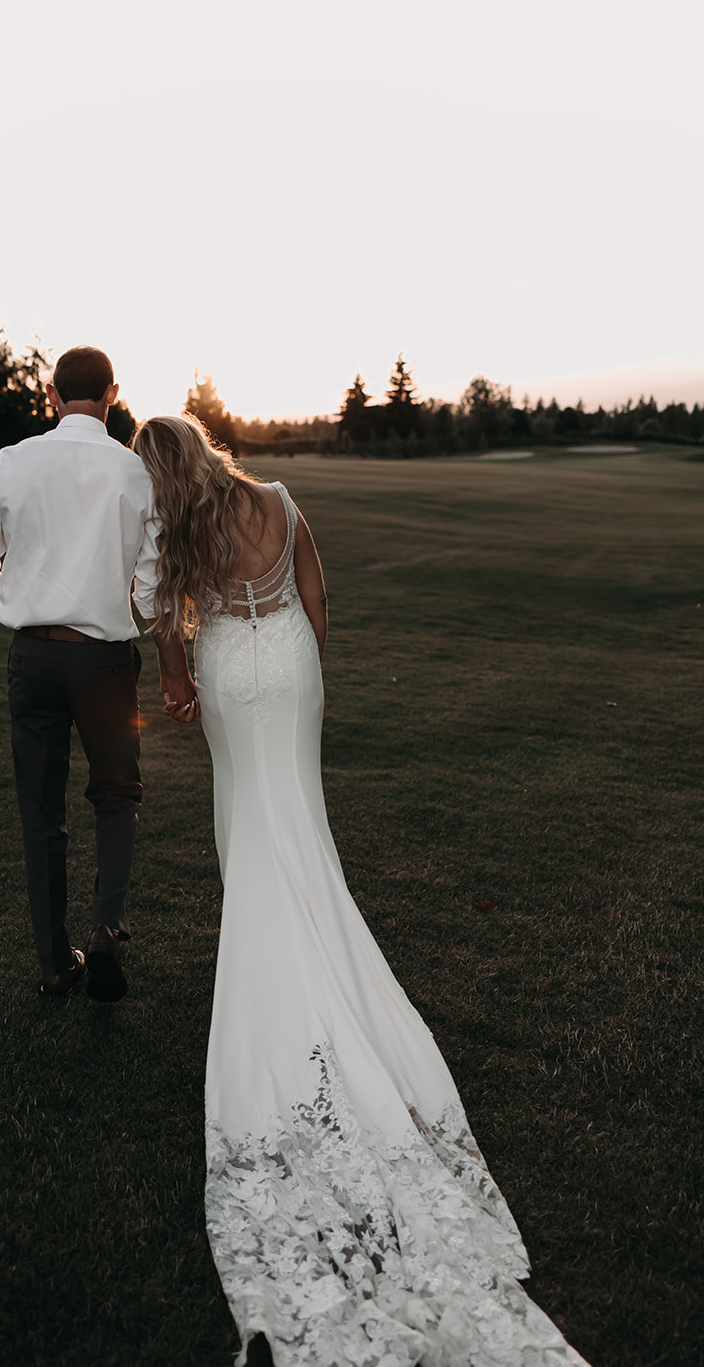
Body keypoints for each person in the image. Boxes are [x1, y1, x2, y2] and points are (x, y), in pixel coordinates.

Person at [131, 412, 592, 1367]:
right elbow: (315, 597)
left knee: (246, 820)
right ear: (209, 451)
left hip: (226, 665)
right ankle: (313, 933)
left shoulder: (171, 529)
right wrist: (303, 666)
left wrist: (177, 674)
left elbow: (154, 616)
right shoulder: (280, 500)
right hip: (289, 663)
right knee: (297, 809)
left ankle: (273, 948)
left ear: (158, 472)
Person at [0, 347, 197, 1002]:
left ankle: (56, 963)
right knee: (117, 797)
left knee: (41, 812)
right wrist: (174, 672)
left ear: (51, 393)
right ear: (111, 393)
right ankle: (106, 928)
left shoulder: (11, 462)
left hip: (31, 659)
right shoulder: (134, 475)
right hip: (105, 664)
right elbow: (152, 589)